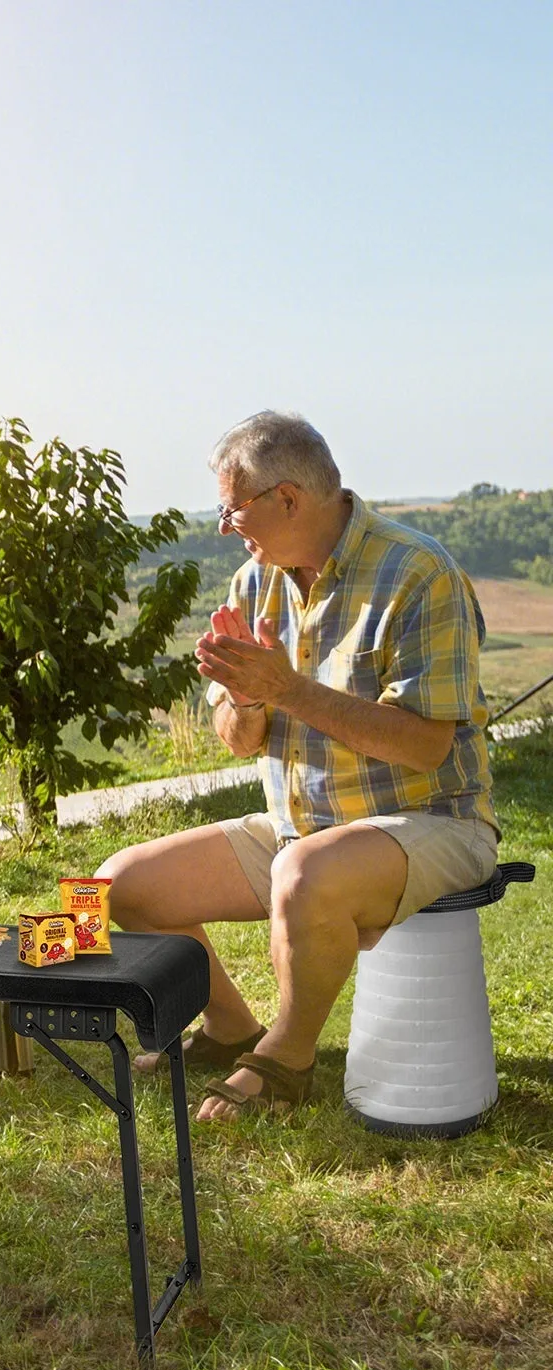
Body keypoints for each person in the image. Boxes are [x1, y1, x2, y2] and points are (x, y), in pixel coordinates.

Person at [99, 413, 498, 1121]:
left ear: (287, 499)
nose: (225, 524)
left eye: (234, 506)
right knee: (122, 886)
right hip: (297, 827)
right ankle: (229, 1027)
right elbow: (237, 737)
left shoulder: (417, 571)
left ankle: (285, 1058)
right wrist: (248, 703)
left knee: (305, 870)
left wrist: (291, 691)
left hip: (431, 821)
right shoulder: (254, 584)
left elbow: (426, 746)